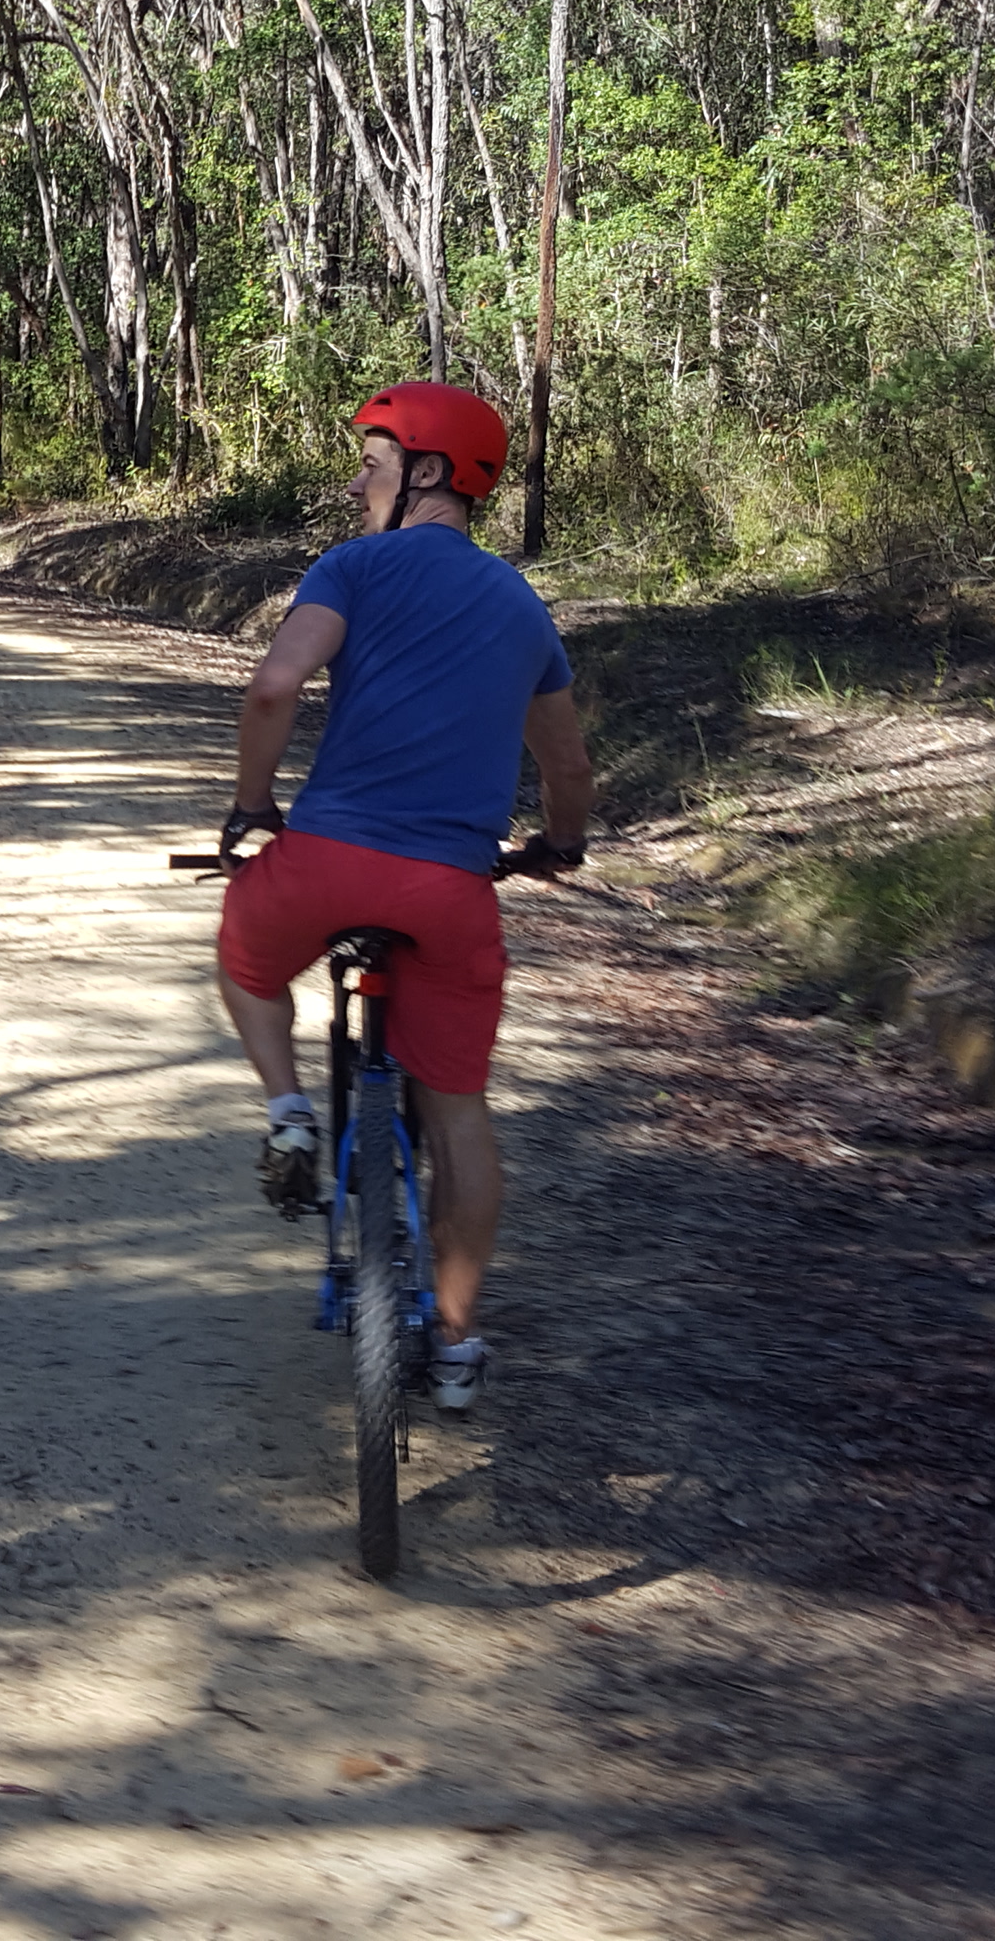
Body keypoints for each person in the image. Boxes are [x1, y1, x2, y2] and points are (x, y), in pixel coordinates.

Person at [212, 382, 593, 1418]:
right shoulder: (522, 605)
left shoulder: (352, 567)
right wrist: (557, 847)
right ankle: (459, 1342)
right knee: (459, 1111)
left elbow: (272, 689)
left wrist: (253, 807)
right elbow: (565, 765)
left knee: (247, 960)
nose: (354, 483)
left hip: (326, 858)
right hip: (454, 889)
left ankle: (290, 1112)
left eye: (372, 465)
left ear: (426, 473)